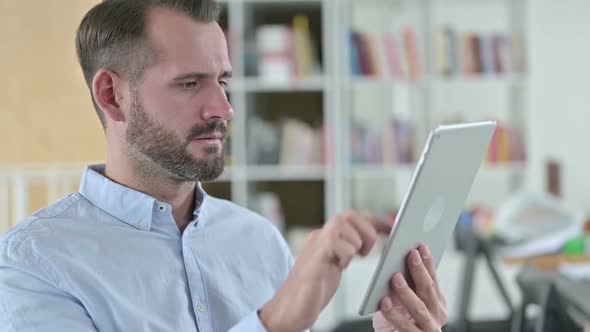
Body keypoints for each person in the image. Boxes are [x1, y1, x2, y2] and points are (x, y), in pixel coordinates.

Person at [0, 0, 447, 331]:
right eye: (190, 83)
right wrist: (271, 324)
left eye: (224, 81)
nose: (224, 108)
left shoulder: (259, 241)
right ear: (112, 95)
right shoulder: (33, 266)